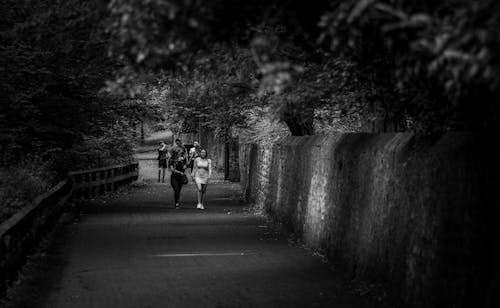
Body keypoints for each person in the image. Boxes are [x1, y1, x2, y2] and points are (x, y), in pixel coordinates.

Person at [169, 138, 187, 209]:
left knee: (178, 191)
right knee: (176, 189)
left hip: (181, 177)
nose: (179, 153)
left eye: (180, 152)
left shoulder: (183, 160)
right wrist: (180, 172)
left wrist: (184, 167)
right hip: (174, 177)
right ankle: (176, 204)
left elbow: (185, 165)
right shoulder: (172, 160)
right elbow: (172, 169)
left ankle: (177, 201)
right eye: (177, 152)